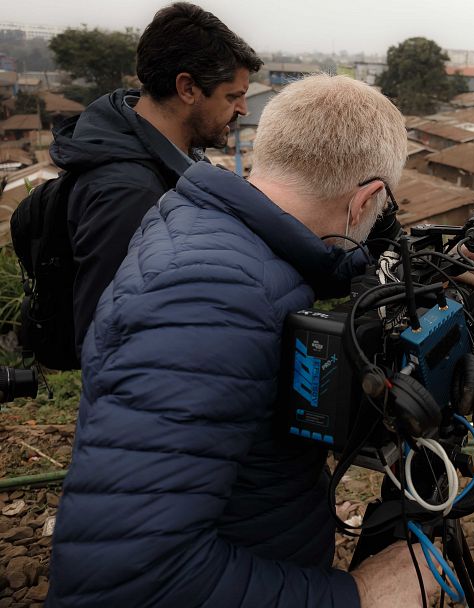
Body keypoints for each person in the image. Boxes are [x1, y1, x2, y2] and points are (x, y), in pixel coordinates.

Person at [47, 75, 438, 607]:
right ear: (367, 198)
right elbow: (128, 579)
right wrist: (359, 595)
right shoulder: (210, 298)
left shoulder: (200, 221)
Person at [50, 2, 261, 358]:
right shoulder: (129, 194)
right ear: (188, 88)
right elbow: (104, 341)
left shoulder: (170, 155)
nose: (243, 110)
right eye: (233, 96)